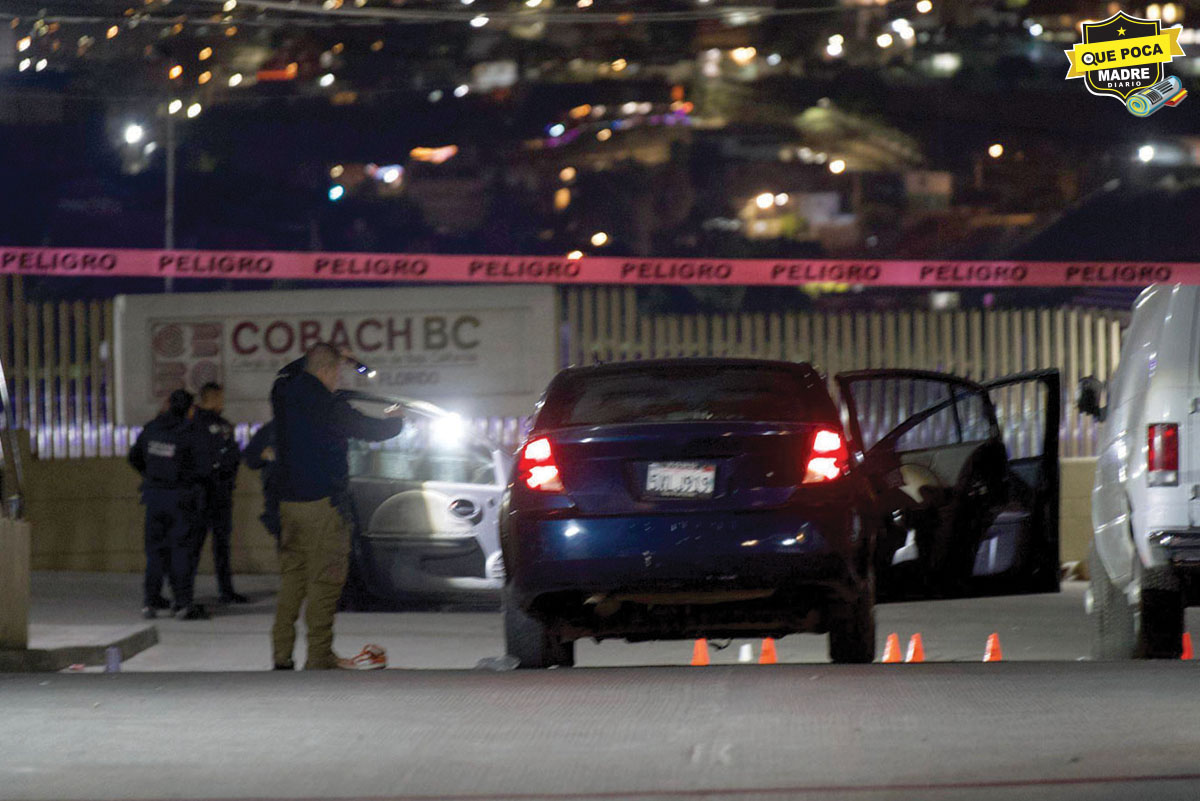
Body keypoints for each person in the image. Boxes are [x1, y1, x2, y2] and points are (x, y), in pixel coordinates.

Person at [270, 343, 404, 670]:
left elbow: (286, 371)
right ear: (329, 371)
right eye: (336, 372)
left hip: (288, 505)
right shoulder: (329, 406)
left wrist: (328, 354)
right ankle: (319, 655)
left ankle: (282, 655)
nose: (337, 380)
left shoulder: (283, 393)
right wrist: (396, 421)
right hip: (322, 506)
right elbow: (370, 430)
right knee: (325, 581)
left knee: (293, 579)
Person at [128, 389, 209, 621]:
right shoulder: (189, 432)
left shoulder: (152, 428)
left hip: (154, 499)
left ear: (168, 404)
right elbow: (202, 467)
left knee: (155, 552)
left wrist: (151, 476)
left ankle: (150, 601)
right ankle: (182, 603)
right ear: (190, 409)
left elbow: (134, 457)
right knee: (180, 552)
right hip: (180, 501)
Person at [192, 382, 247, 604]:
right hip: (201, 493)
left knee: (221, 545)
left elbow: (233, 457)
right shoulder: (194, 424)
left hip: (220, 493)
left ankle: (226, 590)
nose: (223, 403)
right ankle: (185, 593)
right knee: (195, 544)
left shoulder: (224, 425)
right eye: (220, 398)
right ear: (211, 398)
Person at [242, 419, 280, 543]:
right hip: (279, 500)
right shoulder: (270, 430)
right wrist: (264, 456)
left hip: (302, 500)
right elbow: (251, 458)